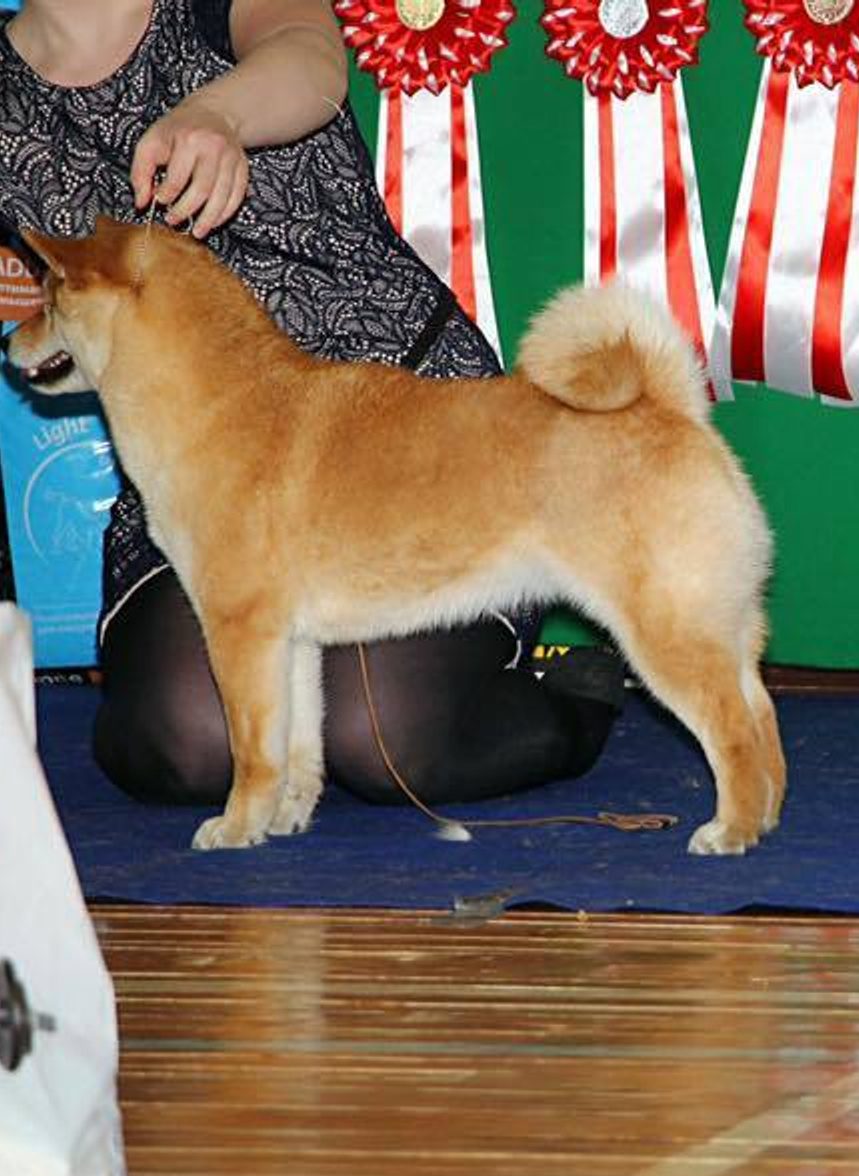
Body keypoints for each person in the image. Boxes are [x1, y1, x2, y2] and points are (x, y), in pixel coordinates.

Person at [0, 0, 623, 811]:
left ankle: (575, 700)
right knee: (189, 741)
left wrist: (220, 112)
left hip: (405, 437)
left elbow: (310, 58)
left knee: (384, 735)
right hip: (203, 482)